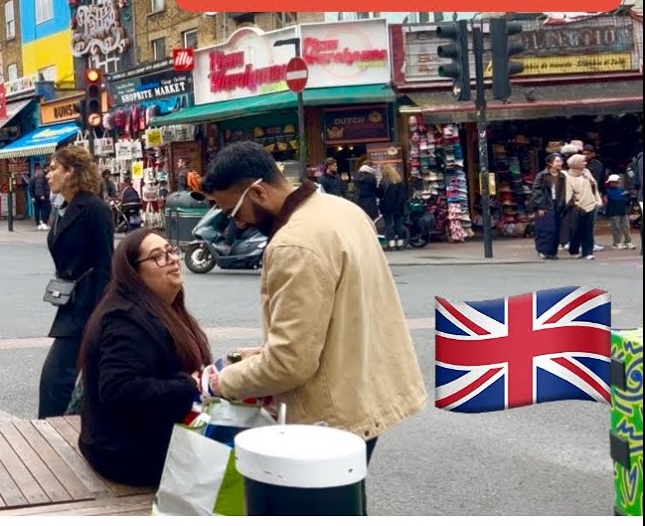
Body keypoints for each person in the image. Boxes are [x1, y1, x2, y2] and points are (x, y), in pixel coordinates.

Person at [201, 141, 425, 468]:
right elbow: (340, 314)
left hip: (329, 418)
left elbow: (289, 363)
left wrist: (221, 382)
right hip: (364, 391)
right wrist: (266, 352)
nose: (238, 225)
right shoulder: (341, 209)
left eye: (233, 213)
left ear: (259, 193)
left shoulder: (293, 243)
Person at [77, 229, 209, 488]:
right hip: (129, 454)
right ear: (134, 274)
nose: (171, 259)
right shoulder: (125, 320)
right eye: (157, 257)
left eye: (171, 250)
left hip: (143, 440)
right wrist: (188, 385)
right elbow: (119, 390)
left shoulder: (162, 309)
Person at [38, 146, 114, 418]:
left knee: (56, 378)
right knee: (70, 380)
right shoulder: (62, 208)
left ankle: (49, 431)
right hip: (70, 303)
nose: (48, 175)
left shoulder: (95, 209)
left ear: (71, 172)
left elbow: (107, 265)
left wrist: (101, 313)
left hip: (88, 306)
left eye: (54, 168)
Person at [562, 154, 601, 260]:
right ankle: (574, 250)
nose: (585, 163)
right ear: (576, 164)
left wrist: (598, 200)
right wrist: (574, 204)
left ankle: (588, 252)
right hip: (577, 206)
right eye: (583, 161)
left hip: (590, 204)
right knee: (576, 230)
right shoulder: (567, 176)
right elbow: (568, 193)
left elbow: (594, 186)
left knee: (588, 230)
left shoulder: (586, 173)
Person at [530, 153, 567, 260]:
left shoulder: (562, 176)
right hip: (545, 205)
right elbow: (536, 190)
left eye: (560, 161)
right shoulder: (542, 175)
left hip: (557, 205)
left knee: (556, 229)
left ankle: (552, 251)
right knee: (545, 229)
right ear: (550, 163)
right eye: (557, 161)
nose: (560, 163)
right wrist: (541, 206)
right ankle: (542, 250)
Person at [378, 164, 408, 250]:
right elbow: (403, 195)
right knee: (398, 223)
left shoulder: (383, 181)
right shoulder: (399, 180)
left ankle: (391, 244)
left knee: (388, 224)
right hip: (398, 205)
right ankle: (400, 243)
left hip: (386, 205)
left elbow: (380, 194)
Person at [605, 175, 632, 250]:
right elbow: (614, 198)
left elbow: (627, 200)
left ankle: (628, 241)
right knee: (616, 227)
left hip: (623, 211)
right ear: (610, 183)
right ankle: (617, 243)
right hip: (614, 212)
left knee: (626, 227)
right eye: (613, 182)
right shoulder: (607, 191)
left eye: (617, 182)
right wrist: (624, 195)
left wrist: (627, 196)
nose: (615, 184)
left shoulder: (622, 189)